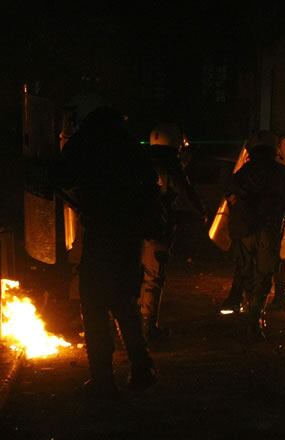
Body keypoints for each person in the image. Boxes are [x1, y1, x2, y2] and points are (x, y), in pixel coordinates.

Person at [51, 93, 160, 398]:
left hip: (102, 235)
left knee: (95, 304)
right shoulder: (129, 146)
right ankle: (142, 369)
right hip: (128, 237)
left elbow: (60, 173)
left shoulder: (87, 142)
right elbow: (149, 186)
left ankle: (103, 379)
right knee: (124, 303)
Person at [140, 122, 208, 342]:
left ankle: (129, 326)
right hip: (156, 230)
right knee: (153, 279)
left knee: (133, 277)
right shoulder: (170, 166)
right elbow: (186, 194)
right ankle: (147, 329)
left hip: (132, 229)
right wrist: (201, 212)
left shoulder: (140, 162)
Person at [226, 130, 285, 337]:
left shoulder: (242, 173)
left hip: (246, 230)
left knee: (248, 272)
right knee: (264, 273)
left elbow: (231, 198)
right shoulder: (280, 172)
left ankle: (253, 314)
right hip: (269, 230)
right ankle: (255, 317)